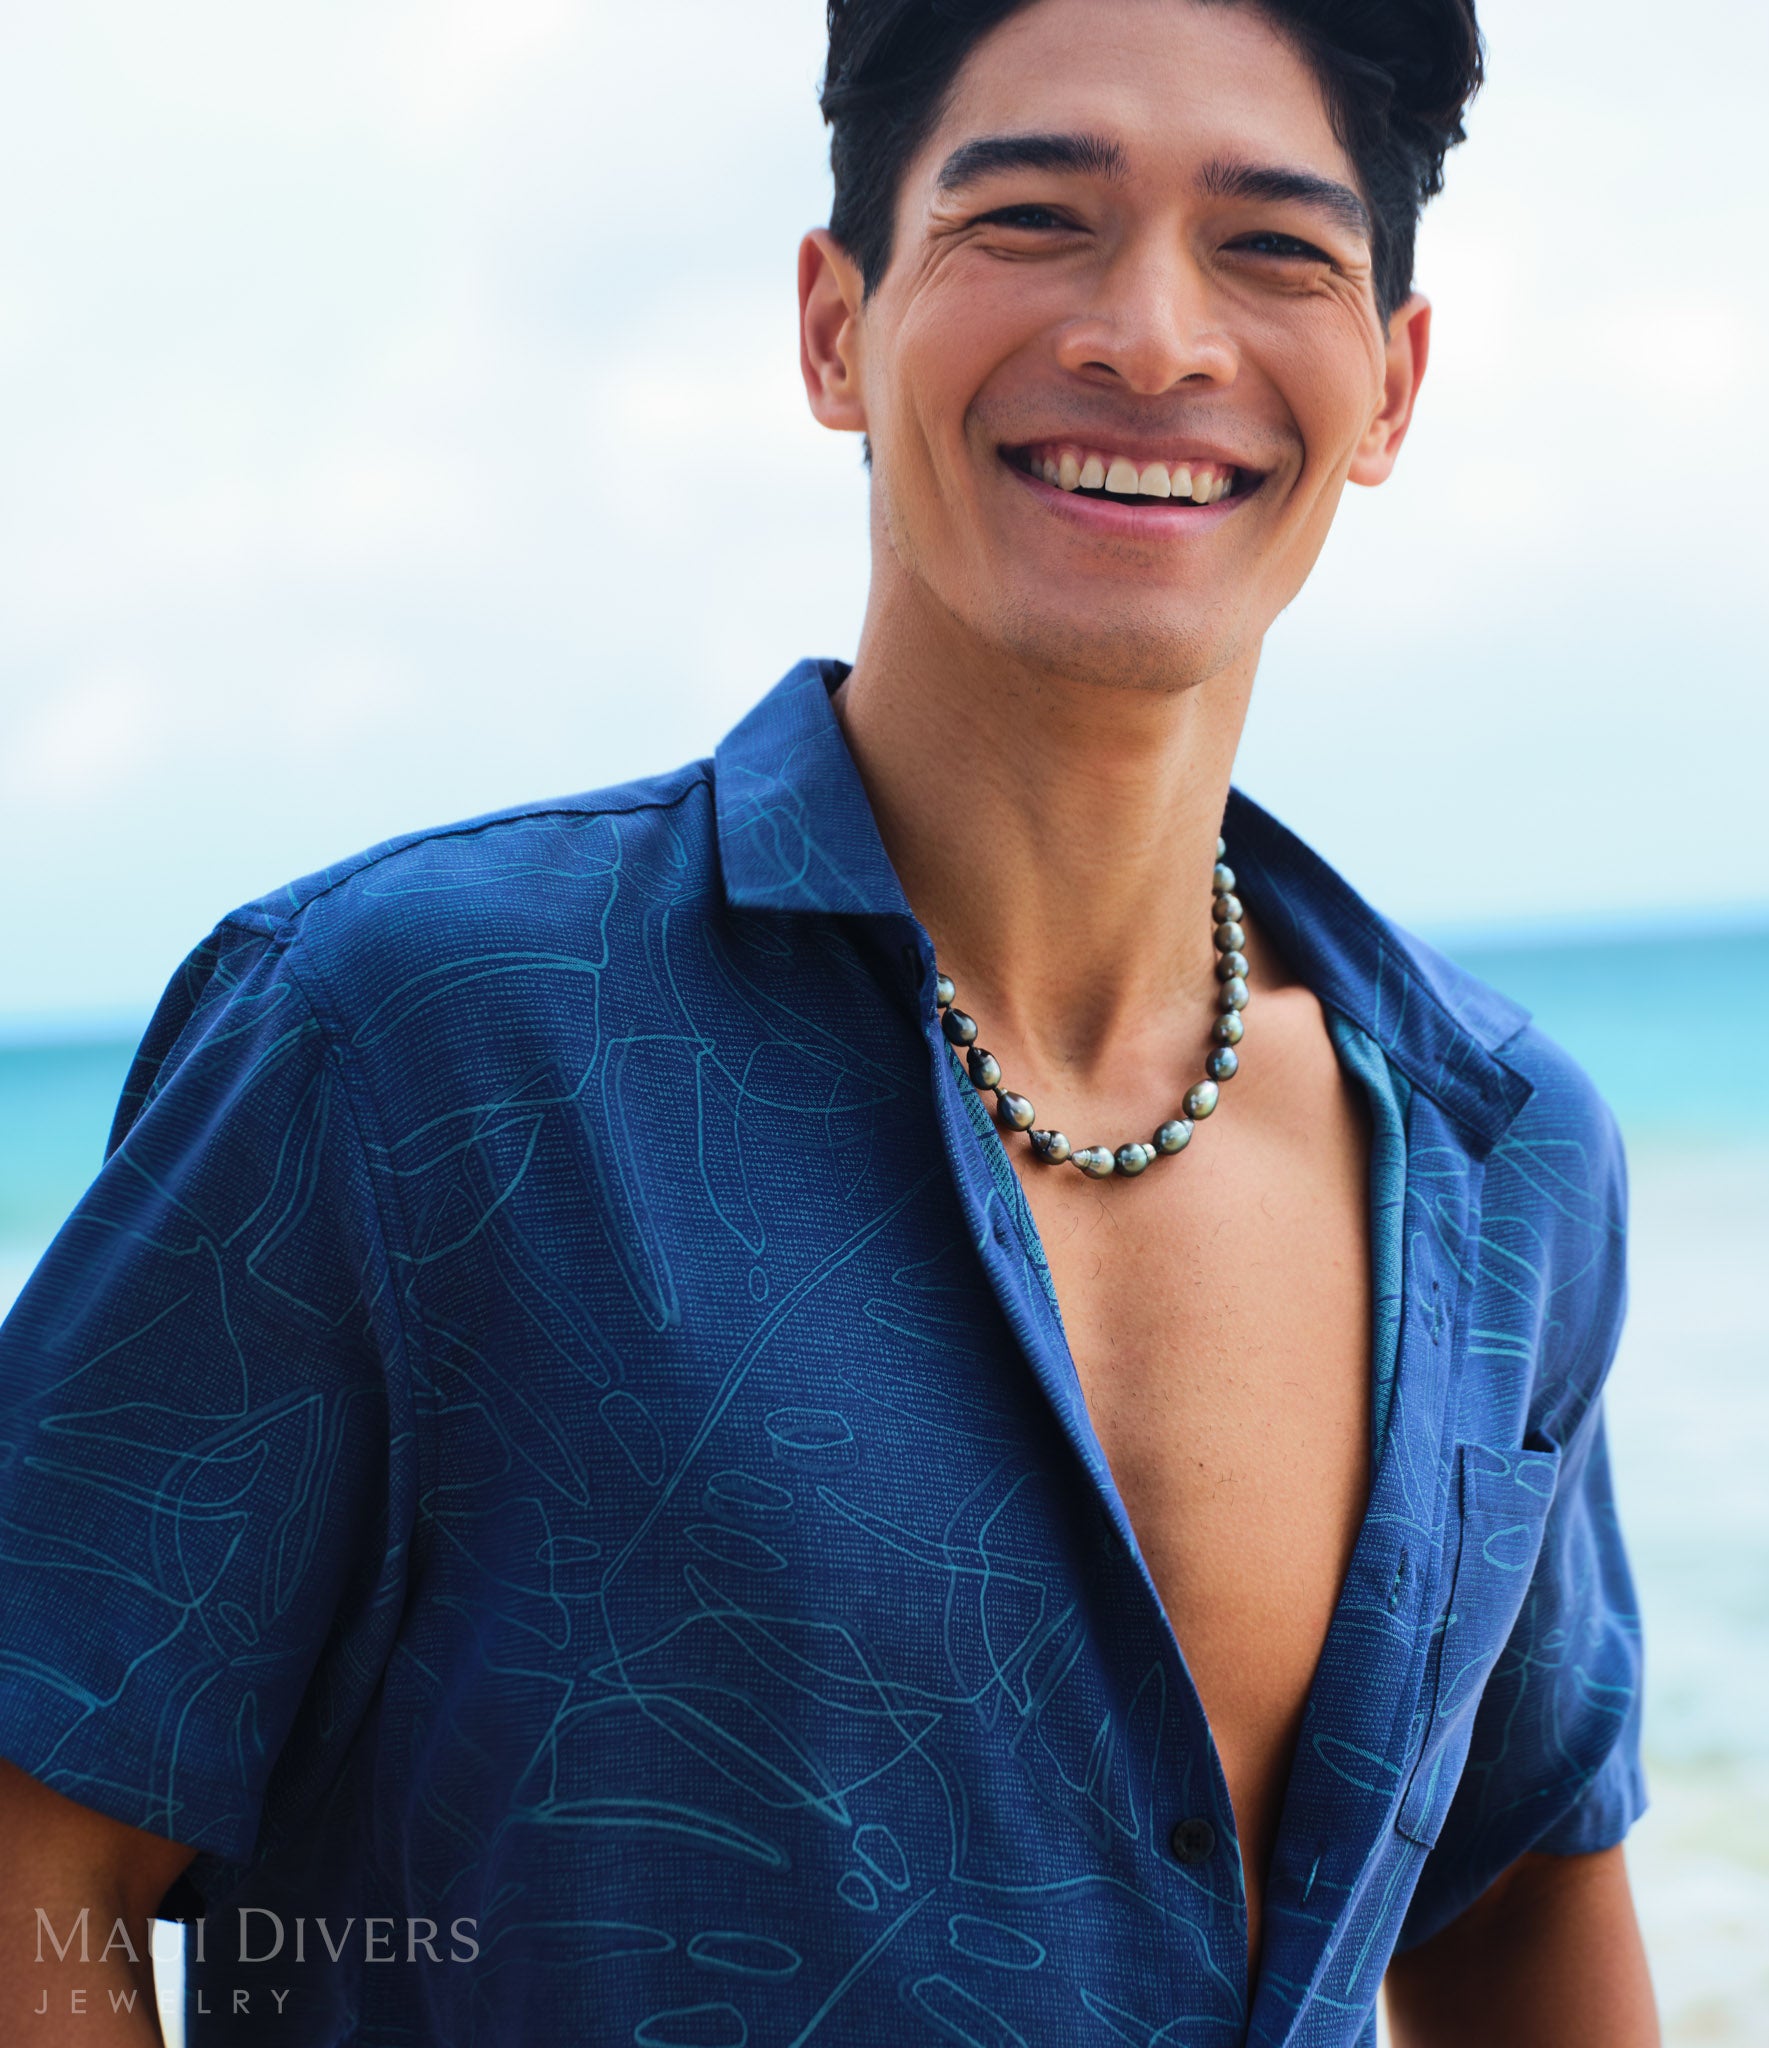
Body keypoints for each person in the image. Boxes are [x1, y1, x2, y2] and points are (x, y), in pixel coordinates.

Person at [0, 0, 1658, 2040]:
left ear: (1389, 386)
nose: (1153, 337)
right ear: (831, 327)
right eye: (1034, 218)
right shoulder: (408, 1043)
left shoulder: (1502, 1160)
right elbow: (38, 1865)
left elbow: (1506, 1909)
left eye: (1274, 248)